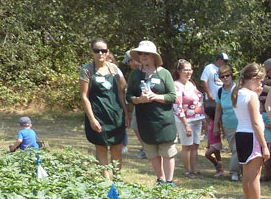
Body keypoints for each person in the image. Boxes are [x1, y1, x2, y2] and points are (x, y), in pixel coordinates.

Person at [125, 40, 178, 185]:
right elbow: (128, 97)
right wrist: (139, 100)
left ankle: (169, 182)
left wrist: (156, 97)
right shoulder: (135, 75)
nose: (143, 56)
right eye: (141, 53)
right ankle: (160, 180)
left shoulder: (164, 73)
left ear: (154, 56)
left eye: (147, 53)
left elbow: (172, 96)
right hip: (145, 121)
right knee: (152, 153)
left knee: (167, 152)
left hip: (164, 121)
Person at [79, 38, 127, 171]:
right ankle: (105, 182)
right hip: (98, 115)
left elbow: (122, 91)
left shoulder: (114, 69)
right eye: (97, 50)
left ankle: (118, 180)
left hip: (115, 116)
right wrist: (92, 119)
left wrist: (126, 115)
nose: (100, 53)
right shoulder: (86, 70)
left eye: (103, 51)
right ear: (92, 52)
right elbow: (84, 96)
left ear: (107, 52)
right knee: (101, 148)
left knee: (117, 148)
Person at [233, 63, 271, 199]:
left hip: (240, 134)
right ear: (254, 78)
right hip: (253, 135)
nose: (260, 84)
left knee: (246, 174)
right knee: (255, 175)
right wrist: (264, 146)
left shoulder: (237, 93)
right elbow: (256, 122)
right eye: (260, 80)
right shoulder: (251, 96)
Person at [173, 59, 206, 178]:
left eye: (190, 69)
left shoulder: (191, 83)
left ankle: (194, 170)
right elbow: (177, 107)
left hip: (197, 119)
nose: (188, 72)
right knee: (186, 145)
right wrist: (186, 125)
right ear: (179, 71)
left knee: (195, 145)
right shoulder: (176, 85)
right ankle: (188, 171)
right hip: (185, 120)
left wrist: (203, 118)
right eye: (185, 70)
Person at [214, 65, 238, 180]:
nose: (225, 78)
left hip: (242, 122)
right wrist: (215, 126)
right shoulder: (220, 92)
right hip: (228, 124)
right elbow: (218, 110)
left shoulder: (238, 88)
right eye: (222, 76)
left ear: (231, 75)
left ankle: (241, 171)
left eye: (227, 75)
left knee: (242, 148)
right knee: (235, 149)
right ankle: (234, 173)